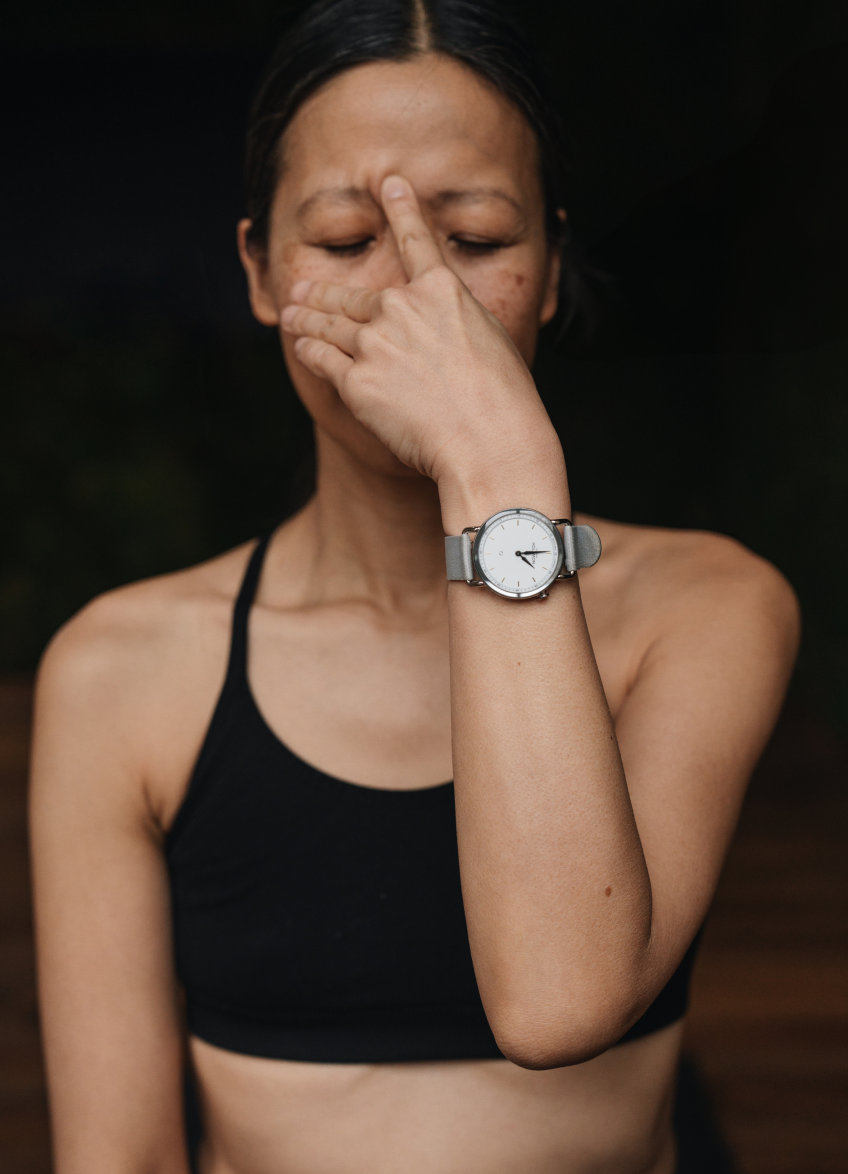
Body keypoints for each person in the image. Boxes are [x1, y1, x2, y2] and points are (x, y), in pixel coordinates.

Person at [30, 1, 799, 1171]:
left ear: (548, 271)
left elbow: (557, 999)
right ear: (257, 273)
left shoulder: (704, 606)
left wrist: (495, 470)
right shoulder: (119, 669)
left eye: (477, 239)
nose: (416, 302)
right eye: (346, 241)